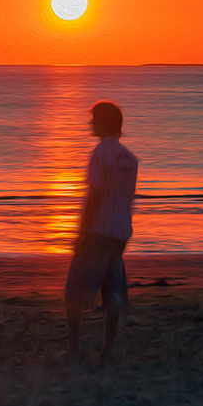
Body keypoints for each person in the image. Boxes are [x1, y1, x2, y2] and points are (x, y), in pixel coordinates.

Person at [64, 102, 138, 365]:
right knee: (113, 294)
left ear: (105, 123)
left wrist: (81, 234)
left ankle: (74, 350)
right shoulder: (130, 159)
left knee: (73, 294)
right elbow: (126, 200)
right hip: (119, 236)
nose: (90, 124)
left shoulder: (99, 154)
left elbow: (94, 197)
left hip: (97, 234)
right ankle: (107, 351)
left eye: (94, 119)